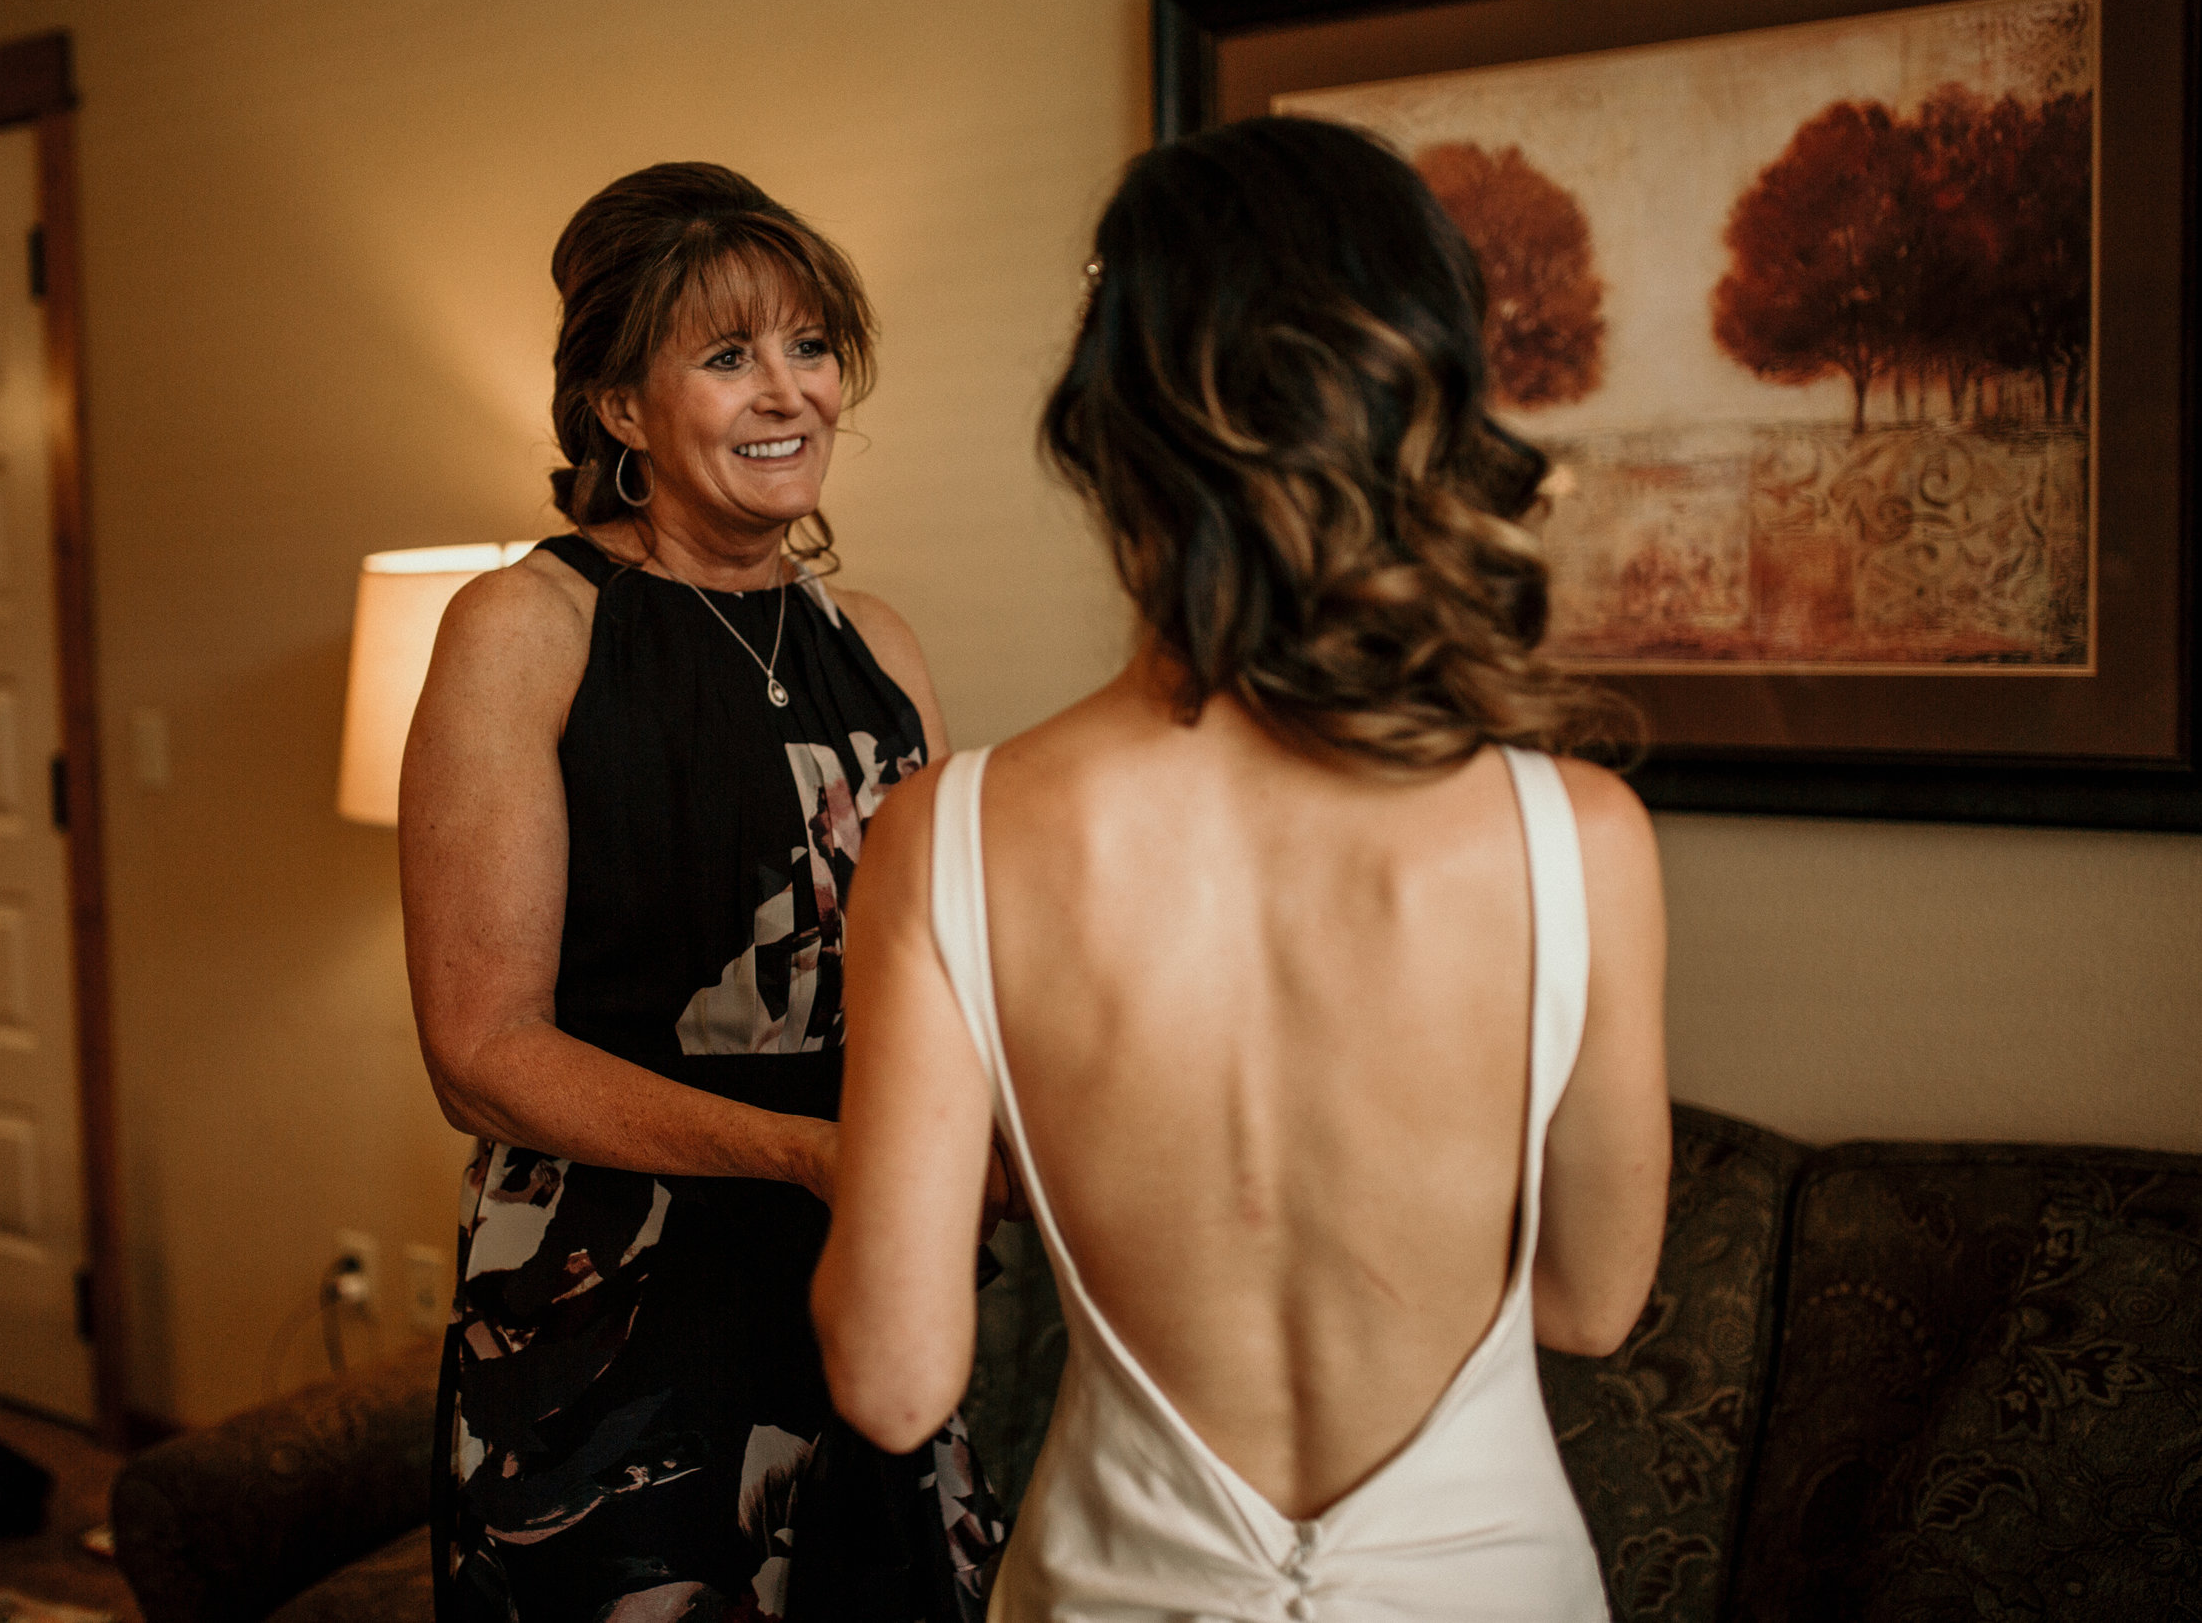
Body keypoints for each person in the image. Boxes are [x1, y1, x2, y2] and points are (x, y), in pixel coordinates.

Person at [811, 116, 1670, 1622]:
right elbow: (1594, 1304)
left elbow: (892, 1384)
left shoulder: (948, 835)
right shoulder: (1579, 837)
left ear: (1108, 427)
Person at [404, 162, 1009, 1623]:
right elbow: (479, 1055)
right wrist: (804, 1152)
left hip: (861, 1270)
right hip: (613, 1302)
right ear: (620, 408)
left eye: (809, 348)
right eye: (728, 356)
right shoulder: (527, 629)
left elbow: (939, 970)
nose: (786, 394)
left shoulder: (880, 644)